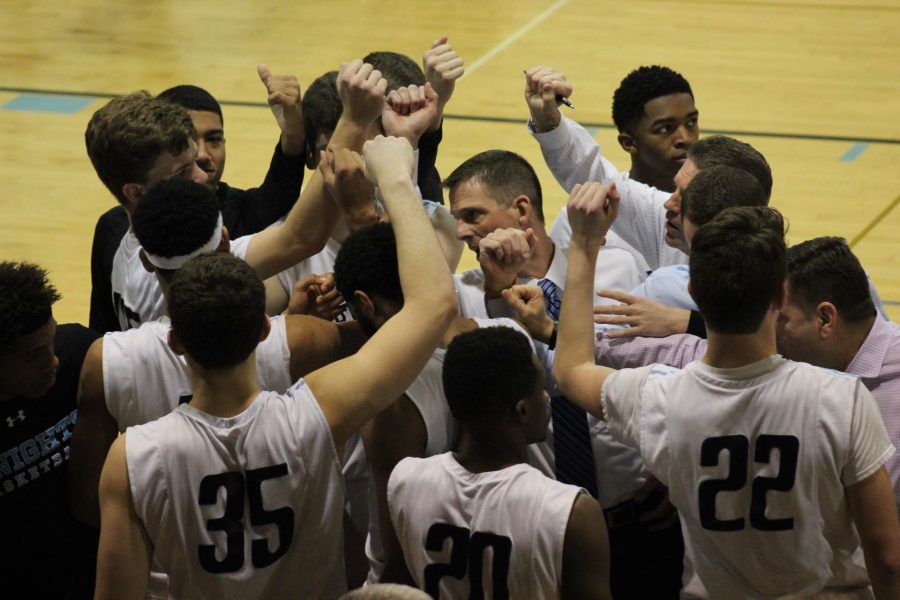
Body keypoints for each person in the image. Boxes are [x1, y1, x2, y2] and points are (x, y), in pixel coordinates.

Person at [94, 134, 457, 600]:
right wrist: (396, 181)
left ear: (176, 341)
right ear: (266, 329)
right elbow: (433, 304)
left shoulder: (130, 459)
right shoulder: (317, 412)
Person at [553, 183, 900, 598]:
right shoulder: (842, 399)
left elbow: (572, 367)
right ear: (781, 294)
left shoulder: (658, 399)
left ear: (694, 293)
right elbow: (887, 557)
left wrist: (585, 243)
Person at [330, 221, 532, 584]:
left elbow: (397, 548)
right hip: (515, 561)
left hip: (420, 582)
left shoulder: (389, 401)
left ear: (364, 303)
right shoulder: (510, 337)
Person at [388, 326, 612, 599]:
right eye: (541, 389)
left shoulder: (405, 480)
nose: (546, 397)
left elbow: (398, 584)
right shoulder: (570, 512)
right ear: (523, 410)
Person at [88, 67, 307, 333]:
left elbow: (280, 195)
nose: (202, 164)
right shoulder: (147, 241)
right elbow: (300, 237)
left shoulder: (126, 242)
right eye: (183, 170)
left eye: (214, 139)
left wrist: (293, 133)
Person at [525, 64, 699, 274]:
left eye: (691, 122)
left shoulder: (710, 210)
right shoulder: (582, 217)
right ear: (628, 143)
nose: (685, 139)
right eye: (665, 128)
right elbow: (584, 167)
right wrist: (548, 120)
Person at [0, 262, 100, 598]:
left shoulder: (80, 355)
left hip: (89, 573)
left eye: (52, 342)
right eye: (34, 357)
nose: (52, 362)